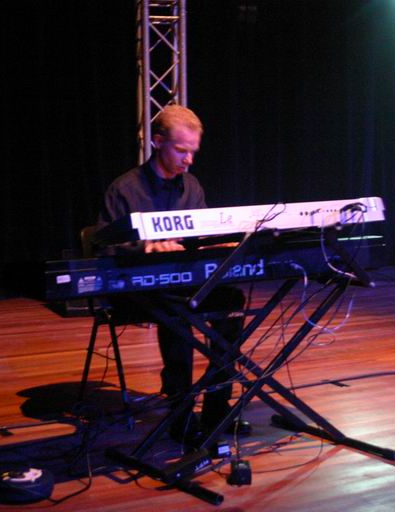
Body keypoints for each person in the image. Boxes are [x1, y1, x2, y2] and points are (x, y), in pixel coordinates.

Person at [97, 105, 251, 445]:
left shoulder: (191, 187)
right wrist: (146, 247)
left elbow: (201, 234)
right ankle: (180, 412)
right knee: (177, 311)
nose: (188, 160)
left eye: (193, 152)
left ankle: (217, 405)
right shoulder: (124, 189)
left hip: (184, 282)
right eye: (181, 150)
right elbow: (105, 249)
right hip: (139, 289)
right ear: (157, 142)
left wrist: (218, 240)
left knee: (231, 301)